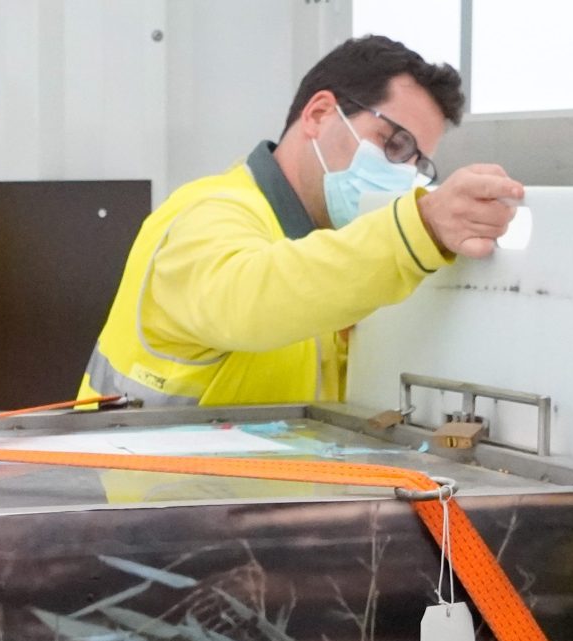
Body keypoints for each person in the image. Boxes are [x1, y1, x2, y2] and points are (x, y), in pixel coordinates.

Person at [77, 35, 522, 408]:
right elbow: (251, 297)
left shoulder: (340, 255)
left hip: (240, 503)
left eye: (418, 164)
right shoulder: (206, 211)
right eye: (394, 143)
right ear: (319, 114)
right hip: (135, 503)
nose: (404, 174)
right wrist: (419, 228)